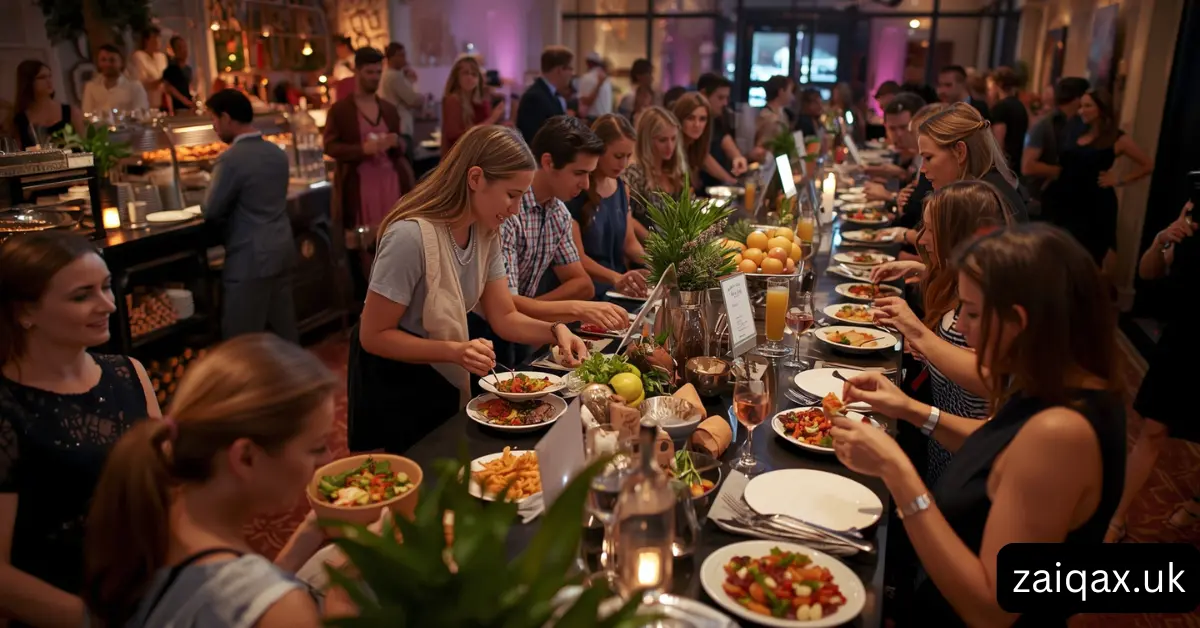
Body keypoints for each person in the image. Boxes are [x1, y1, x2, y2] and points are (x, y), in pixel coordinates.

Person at [833, 223, 1125, 627]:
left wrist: (897, 472)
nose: (960, 326)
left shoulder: (1061, 433)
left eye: (970, 312)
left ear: (1018, 321)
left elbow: (991, 607)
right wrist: (909, 409)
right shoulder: (1052, 381)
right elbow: (998, 448)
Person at [348, 125, 589, 454]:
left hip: (442, 375)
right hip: (394, 381)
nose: (517, 209)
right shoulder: (409, 237)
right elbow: (373, 335)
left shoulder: (486, 232)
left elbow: (503, 315)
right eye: (512, 194)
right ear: (475, 178)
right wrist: (453, 351)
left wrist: (556, 330)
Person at [83, 334, 337, 626]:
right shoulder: (284, 611)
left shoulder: (145, 516)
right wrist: (341, 606)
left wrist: (306, 536)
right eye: (316, 447)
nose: (327, 459)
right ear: (245, 457)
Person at [0, 231, 160, 627]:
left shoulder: (129, 373)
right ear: (25, 312)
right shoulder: (7, 409)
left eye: (106, 287)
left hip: (149, 591)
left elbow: (166, 489)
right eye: (81, 295)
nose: (107, 304)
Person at [868, 181, 1013, 486]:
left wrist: (920, 335)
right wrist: (918, 269)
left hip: (964, 457)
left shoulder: (990, 295)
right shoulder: (962, 278)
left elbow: (991, 377)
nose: (922, 238)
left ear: (958, 234)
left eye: (932, 230)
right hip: (942, 444)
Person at [489, 116, 629, 365]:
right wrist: (576, 308)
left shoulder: (559, 213)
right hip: (484, 334)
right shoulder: (508, 209)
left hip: (522, 329)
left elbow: (581, 282)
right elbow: (504, 304)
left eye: (589, 174)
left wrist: (528, 308)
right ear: (548, 162)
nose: (586, 184)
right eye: (579, 173)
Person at [1105, 202, 1198, 542]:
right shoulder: (1192, 213)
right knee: (1153, 429)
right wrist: (1162, 239)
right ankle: (1116, 516)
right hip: (1185, 337)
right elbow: (1147, 272)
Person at [202, 89, 298, 342]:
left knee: (241, 342)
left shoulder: (231, 159)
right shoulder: (277, 153)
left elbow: (211, 210)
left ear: (226, 118)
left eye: (213, 120)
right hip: (281, 249)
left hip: (249, 257)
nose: (214, 127)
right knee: (284, 334)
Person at [1040, 90, 1153, 268]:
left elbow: (1147, 165)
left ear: (1101, 109)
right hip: (1063, 201)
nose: (1081, 111)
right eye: (1081, 106)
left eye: (1088, 106)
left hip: (1093, 206)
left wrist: (1119, 180)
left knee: (1085, 260)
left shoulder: (1116, 138)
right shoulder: (1075, 131)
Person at [565, 114, 648, 298]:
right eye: (618, 156)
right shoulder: (576, 192)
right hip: (589, 292)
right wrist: (617, 278)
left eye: (628, 156)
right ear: (598, 150)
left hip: (618, 289)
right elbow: (577, 258)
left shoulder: (621, 187)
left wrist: (655, 263)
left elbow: (629, 243)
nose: (624, 164)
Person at [915, 102, 1028, 222]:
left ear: (960, 152)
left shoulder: (981, 203)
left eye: (928, 158)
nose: (922, 168)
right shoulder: (990, 187)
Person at [1022, 77, 1090, 214]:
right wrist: (1064, 172)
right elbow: (1028, 166)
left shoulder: (1082, 125)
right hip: (1044, 201)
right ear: (1078, 99)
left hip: (1071, 203)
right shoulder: (1045, 125)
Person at [623, 106, 687, 241]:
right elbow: (627, 218)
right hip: (645, 253)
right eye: (662, 140)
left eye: (673, 138)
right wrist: (658, 245)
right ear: (646, 140)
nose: (670, 146)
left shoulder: (675, 170)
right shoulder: (634, 173)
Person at [10, 60, 84, 150]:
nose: (49, 81)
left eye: (49, 76)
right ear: (29, 82)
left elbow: (86, 147)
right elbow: (18, 155)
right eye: (42, 77)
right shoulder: (20, 120)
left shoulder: (71, 112)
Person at [440, 56, 503, 154]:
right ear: (457, 77)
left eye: (474, 74)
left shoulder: (479, 100)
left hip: (477, 154)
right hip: (458, 157)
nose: (470, 77)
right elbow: (455, 136)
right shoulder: (453, 100)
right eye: (465, 73)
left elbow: (486, 129)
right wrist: (492, 119)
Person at [696, 73, 748, 188]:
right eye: (720, 98)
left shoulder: (717, 117)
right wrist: (731, 182)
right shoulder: (696, 122)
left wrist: (738, 157)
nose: (725, 103)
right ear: (703, 94)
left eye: (726, 98)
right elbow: (702, 156)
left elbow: (724, 137)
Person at [515, 46, 574, 144]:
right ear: (559, 70)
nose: (572, 73)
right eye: (570, 68)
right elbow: (533, 139)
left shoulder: (552, 95)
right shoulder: (534, 97)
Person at [379, 42, 424, 160]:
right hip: (401, 127)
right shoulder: (394, 76)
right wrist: (413, 83)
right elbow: (413, 100)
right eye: (401, 55)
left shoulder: (387, 74)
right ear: (391, 57)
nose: (404, 59)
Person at [82, 45, 149, 116]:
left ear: (121, 63)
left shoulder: (135, 87)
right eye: (103, 60)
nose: (107, 64)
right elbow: (87, 115)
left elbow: (141, 115)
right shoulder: (91, 87)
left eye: (112, 60)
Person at [985, 67, 1028, 177]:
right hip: (1016, 168)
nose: (989, 92)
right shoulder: (1020, 106)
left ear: (998, 85)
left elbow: (998, 143)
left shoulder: (1001, 108)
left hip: (1004, 170)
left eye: (990, 87)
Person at [672, 92, 716, 192]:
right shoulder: (671, 148)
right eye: (690, 118)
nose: (697, 125)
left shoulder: (694, 147)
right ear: (680, 119)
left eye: (702, 119)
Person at [128, 27, 168, 110]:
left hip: (162, 104)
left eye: (159, 38)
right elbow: (141, 83)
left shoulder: (162, 57)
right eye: (154, 38)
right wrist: (161, 80)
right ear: (146, 40)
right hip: (146, 104)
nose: (157, 41)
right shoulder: (138, 56)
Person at [754, 75, 794, 158]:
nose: (792, 96)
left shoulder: (783, 115)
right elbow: (761, 148)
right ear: (781, 92)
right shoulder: (767, 117)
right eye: (790, 91)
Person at [162, 36, 196, 113]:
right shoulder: (170, 71)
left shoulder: (188, 69)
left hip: (189, 109)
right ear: (174, 51)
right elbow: (170, 90)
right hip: (176, 110)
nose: (184, 50)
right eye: (180, 48)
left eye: (185, 47)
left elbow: (190, 88)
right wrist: (187, 102)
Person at [577, 51, 612, 120]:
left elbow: (586, 102)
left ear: (588, 63)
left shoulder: (586, 77)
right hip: (606, 118)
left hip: (593, 119)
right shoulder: (606, 78)